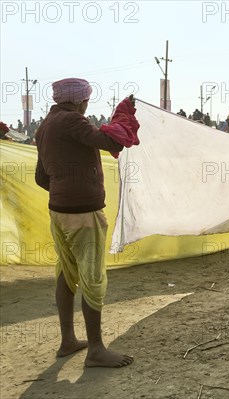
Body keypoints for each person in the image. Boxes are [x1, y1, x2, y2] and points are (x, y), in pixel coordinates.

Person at [35, 78, 137, 366]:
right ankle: (95, 350)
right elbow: (113, 141)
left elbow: (41, 177)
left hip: (59, 212)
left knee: (66, 273)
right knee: (92, 279)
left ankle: (68, 340)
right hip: (83, 214)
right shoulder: (73, 121)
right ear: (81, 100)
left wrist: (65, 189)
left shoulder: (46, 126)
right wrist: (123, 114)